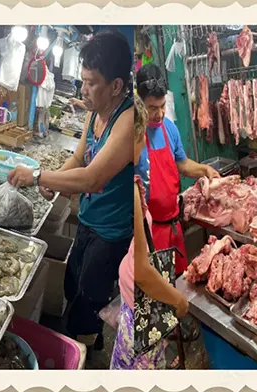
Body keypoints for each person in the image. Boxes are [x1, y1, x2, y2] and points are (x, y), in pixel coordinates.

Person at [8, 30, 134, 352]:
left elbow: (92, 179)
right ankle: (77, 337)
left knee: (90, 299)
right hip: (90, 221)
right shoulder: (95, 110)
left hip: (111, 232)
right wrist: (54, 180)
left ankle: (84, 352)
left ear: (116, 86)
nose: (83, 89)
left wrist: (39, 177)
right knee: (73, 284)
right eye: (82, 80)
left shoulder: (128, 120)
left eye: (91, 82)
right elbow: (79, 157)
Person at [110, 94, 189, 370]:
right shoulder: (132, 190)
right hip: (138, 312)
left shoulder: (125, 178)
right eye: (142, 134)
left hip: (131, 302)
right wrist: (178, 300)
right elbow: (143, 272)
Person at [134, 63, 219, 278]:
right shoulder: (134, 137)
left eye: (162, 106)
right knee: (156, 296)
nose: (160, 113)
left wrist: (204, 169)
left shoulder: (169, 128)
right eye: (153, 108)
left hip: (173, 226)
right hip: (148, 233)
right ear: (139, 103)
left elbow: (182, 164)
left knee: (178, 282)